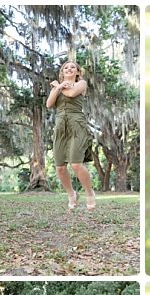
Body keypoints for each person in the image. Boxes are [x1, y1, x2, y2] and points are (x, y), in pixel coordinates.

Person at [45, 60, 96, 212]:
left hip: (77, 125)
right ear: (62, 72)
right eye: (66, 67)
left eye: (72, 67)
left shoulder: (81, 84)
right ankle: (71, 195)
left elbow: (72, 93)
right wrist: (58, 87)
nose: (69, 69)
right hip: (61, 127)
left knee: (75, 163)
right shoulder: (57, 88)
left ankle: (89, 193)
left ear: (77, 72)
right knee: (60, 167)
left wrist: (57, 86)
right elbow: (49, 104)